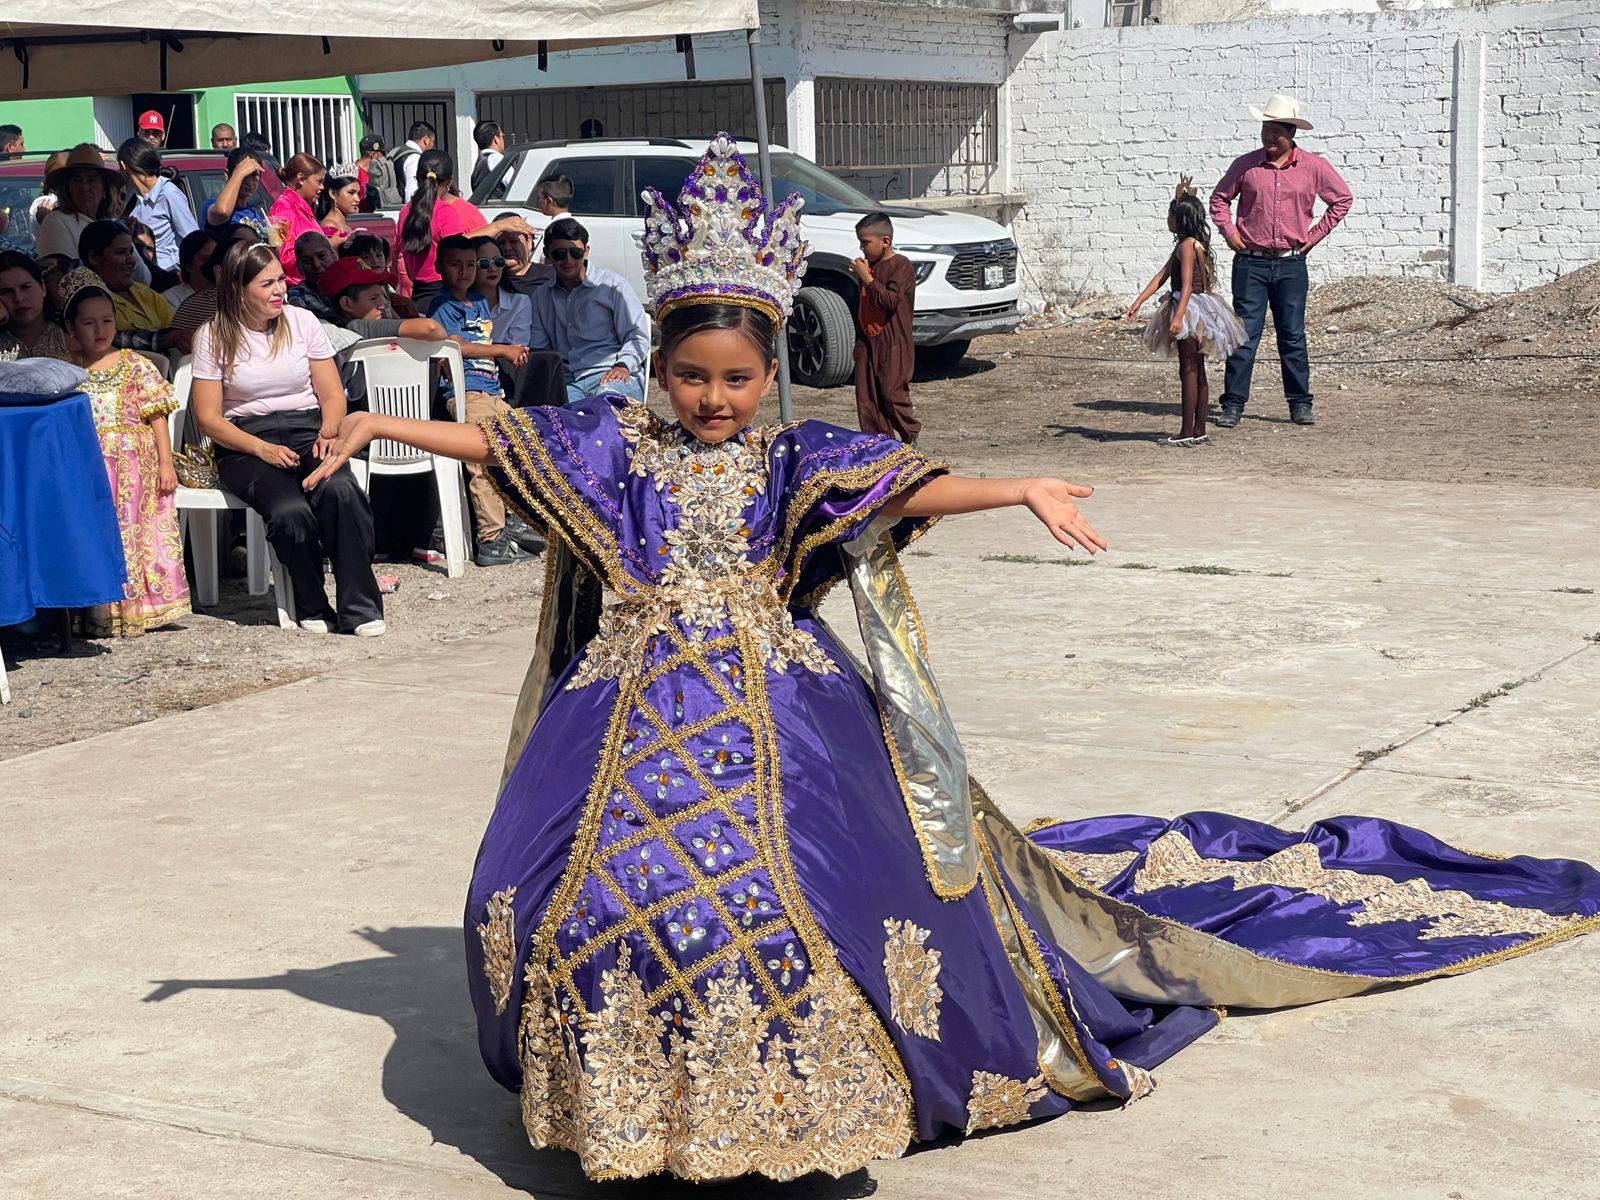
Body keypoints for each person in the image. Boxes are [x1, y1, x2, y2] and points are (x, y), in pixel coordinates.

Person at [300, 133, 1600, 1184]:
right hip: (626, 714)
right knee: (579, 897)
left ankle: (786, 1113)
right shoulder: (620, 457)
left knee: (807, 907)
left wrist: (1019, 486)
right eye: (693, 377)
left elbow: (913, 487)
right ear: (664, 373)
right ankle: (634, 1114)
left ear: (767, 374)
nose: (712, 400)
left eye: (738, 378)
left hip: (783, 714)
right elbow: (505, 443)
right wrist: (382, 429)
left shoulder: (791, 462)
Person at [190, 241, 384, 636]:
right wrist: (261, 448)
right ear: (238, 289)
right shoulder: (212, 336)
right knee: (288, 511)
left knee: (340, 490)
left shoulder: (302, 321)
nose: (280, 290)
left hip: (308, 427)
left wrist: (330, 432)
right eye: (267, 284)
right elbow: (208, 418)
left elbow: (332, 394)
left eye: (281, 280)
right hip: (246, 440)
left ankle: (360, 607)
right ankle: (311, 602)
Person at [55, 267, 189, 637]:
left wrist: (166, 463)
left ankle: (138, 608)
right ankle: (98, 611)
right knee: (98, 534)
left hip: (134, 470)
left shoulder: (135, 365)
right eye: (88, 323)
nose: (100, 330)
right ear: (71, 329)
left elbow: (157, 416)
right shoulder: (67, 371)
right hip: (90, 468)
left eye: (107, 321)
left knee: (135, 534)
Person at [1209, 94, 1353, 429]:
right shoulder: (1246, 165)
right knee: (1244, 335)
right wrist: (1229, 232)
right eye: (1266, 129)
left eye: (1277, 131)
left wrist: (1313, 238)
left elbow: (1342, 199)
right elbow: (1219, 198)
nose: (1270, 137)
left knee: (1292, 335)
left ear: (1291, 133)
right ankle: (1232, 405)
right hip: (1250, 264)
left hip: (1291, 264)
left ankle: (1300, 404)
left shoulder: (1313, 167)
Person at [427, 235, 532, 567]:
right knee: (484, 457)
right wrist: (501, 349)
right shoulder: (443, 305)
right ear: (439, 267)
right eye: (456, 265)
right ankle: (490, 538)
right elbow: (454, 345)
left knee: (523, 445)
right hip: (466, 391)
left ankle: (513, 519)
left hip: (490, 389)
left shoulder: (477, 301)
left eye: (470, 265)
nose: (465, 272)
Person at [1126, 176, 1249, 447]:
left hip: (1190, 309)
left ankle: (1186, 431)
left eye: (1170, 215)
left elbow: (1186, 285)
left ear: (1178, 218)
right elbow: (1162, 276)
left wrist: (1179, 317)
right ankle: (1199, 427)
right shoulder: (1190, 244)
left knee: (1189, 370)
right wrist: (1139, 301)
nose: (1167, 219)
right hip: (1199, 307)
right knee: (1197, 369)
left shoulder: (1186, 246)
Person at [526, 216, 648, 403]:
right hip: (568, 381)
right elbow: (541, 350)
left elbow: (637, 335)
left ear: (586, 252)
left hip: (613, 373)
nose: (568, 260)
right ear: (547, 255)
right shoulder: (541, 296)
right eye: (559, 254)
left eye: (575, 253)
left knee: (605, 410)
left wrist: (623, 365)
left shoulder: (612, 286)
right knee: (561, 420)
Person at [396, 149, 533, 310]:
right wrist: (497, 227)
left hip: (418, 297)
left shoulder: (405, 211)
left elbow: (404, 258)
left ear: (418, 179)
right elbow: (457, 250)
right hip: (446, 299)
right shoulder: (444, 211)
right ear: (449, 183)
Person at [851, 210, 918, 443]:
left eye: (866, 243)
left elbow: (889, 301)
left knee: (891, 393)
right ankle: (880, 447)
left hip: (893, 343)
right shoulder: (869, 265)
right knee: (868, 398)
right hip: (868, 341)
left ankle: (910, 436)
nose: (862, 248)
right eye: (860, 243)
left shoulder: (901, 266)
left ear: (885, 241)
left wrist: (868, 280)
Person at [79, 220, 174, 351]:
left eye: (131, 251)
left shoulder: (144, 292)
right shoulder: (87, 302)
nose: (132, 260)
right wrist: (169, 339)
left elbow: (177, 328)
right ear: (94, 257)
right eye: (120, 252)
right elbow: (114, 340)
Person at [119, 138, 199, 279]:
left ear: (123, 165)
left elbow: (193, 240)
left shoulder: (168, 193)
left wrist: (167, 267)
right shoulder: (134, 198)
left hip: (166, 276)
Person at [35, 145, 121, 260]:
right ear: (67, 189)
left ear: (104, 189)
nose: (84, 187)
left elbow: (144, 274)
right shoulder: (57, 222)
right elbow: (62, 275)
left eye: (91, 180)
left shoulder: (113, 224)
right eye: (76, 180)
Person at [269, 153, 341, 284]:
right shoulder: (283, 209)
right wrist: (328, 246)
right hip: (299, 289)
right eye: (319, 182)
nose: (322, 187)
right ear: (301, 179)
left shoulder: (303, 208)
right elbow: (285, 258)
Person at [0, 252, 69, 359]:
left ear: (43, 288)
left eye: (25, 287)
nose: (18, 298)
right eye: (6, 292)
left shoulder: (70, 332)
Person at [205, 148, 274, 242]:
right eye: (245, 176)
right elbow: (222, 211)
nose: (249, 182)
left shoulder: (254, 213)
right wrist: (239, 173)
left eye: (254, 175)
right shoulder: (213, 205)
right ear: (227, 175)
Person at [287, 231, 337, 320]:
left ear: (334, 255)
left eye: (321, 256)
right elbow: (332, 320)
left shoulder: (348, 283)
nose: (316, 264)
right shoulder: (298, 295)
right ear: (299, 267)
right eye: (307, 261)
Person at [493, 216, 551, 293]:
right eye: (501, 243)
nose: (507, 248)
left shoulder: (552, 277)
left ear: (529, 242)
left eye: (513, 241)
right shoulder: (489, 281)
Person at [163, 228, 217, 308]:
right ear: (188, 265)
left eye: (216, 258)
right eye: (206, 259)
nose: (213, 264)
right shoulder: (170, 300)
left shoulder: (230, 297)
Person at [392, 120, 436, 205]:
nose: (433, 145)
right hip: (404, 211)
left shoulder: (396, 152)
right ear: (426, 140)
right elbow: (411, 193)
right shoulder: (415, 158)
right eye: (433, 141)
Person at [470, 120, 513, 199]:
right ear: (496, 139)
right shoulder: (496, 158)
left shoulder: (479, 163)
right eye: (502, 136)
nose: (503, 140)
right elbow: (513, 184)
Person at [317, 168, 362, 241]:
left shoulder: (345, 225)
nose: (357, 199)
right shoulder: (329, 226)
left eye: (358, 194)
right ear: (333, 193)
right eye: (351, 193)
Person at [355, 134, 395, 211]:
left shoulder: (377, 174)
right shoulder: (354, 174)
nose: (384, 158)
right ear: (374, 155)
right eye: (382, 154)